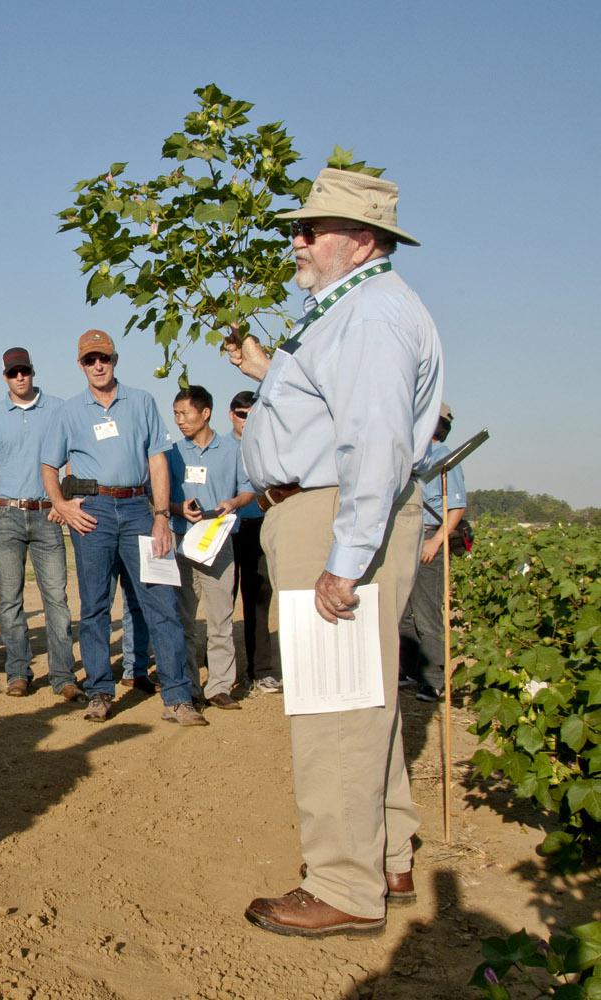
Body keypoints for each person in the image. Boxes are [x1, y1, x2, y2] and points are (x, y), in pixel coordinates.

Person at [226, 168, 442, 936]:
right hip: (318, 510)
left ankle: (344, 886)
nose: (298, 240)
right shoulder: (349, 309)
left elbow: (375, 440)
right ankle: (385, 854)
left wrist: (345, 558)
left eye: (312, 229)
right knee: (365, 693)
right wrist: (263, 369)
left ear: (362, 240)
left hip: (332, 514)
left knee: (336, 703)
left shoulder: (372, 315)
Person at [40, 330, 206, 725]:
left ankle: (178, 696)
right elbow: (49, 466)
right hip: (92, 513)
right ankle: (99, 692)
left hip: (137, 510)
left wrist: (162, 516)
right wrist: (62, 505)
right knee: (95, 606)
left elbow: (157, 462)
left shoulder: (143, 402)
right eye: (89, 360)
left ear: (115, 359)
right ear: (80, 364)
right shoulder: (69, 411)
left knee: (160, 602)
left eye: (105, 358)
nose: (98, 365)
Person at [0, 347, 77, 699]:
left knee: (56, 597)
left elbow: (72, 459)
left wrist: (64, 500)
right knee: (9, 599)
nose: (20, 377)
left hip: (47, 515)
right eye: (13, 373)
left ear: (33, 371)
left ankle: (63, 676)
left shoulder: (59, 409)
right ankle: (18, 672)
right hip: (7, 516)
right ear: (5, 377)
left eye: (24, 370)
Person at [167, 385, 255, 709]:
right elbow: (158, 495)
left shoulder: (234, 451)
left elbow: (248, 490)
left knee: (221, 618)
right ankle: (190, 685)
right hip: (183, 545)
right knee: (185, 619)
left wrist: (232, 502)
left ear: (205, 413)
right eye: (176, 414)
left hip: (219, 544)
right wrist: (178, 509)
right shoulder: (173, 453)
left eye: (184, 413)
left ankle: (219, 686)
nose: (179, 420)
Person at [399, 403, 467, 703]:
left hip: (428, 536)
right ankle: (410, 669)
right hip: (405, 537)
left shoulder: (445, 458)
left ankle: (433, 680)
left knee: (427, 615)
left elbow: (457, 507)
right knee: (402, 611)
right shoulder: (411, 456)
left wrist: (436, 541)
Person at [228, 391, 279, 695]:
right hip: (228, 530)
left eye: (252, 414)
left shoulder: (269, 448)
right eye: (241, 414)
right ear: (230, 414)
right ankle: (222, 668)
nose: (246, 421)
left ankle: (261, 670)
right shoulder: (220, 447)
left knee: (258, 598)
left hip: (260, 527)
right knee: (222, 599)